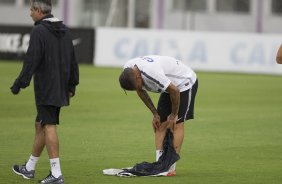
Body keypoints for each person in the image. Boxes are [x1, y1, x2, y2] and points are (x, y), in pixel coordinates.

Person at [10, 0, 79, 183]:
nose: (30, 13)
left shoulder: (39, 31)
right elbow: (73, 60)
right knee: (40, 123)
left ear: (39, 11)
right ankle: (29, 168)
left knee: (48, 125)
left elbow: (31, 59)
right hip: (60, 87)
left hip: (46, 87)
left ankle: (56, 174)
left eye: (31, 9)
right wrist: (72, 85)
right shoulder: (65, 31)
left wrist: (19, 83)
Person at [119, 55, 198, 176]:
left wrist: (173, 114)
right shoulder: (128, 70)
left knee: (176, 123)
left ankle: (170, 168)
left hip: (184, 83)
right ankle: (160, 165)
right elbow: (140, 91)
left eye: (137, 85)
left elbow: (175, 90)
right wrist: (155, 113)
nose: (138, 88)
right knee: (160, 123)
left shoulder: (152, 73)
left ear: (138, 76)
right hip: (169, 87)